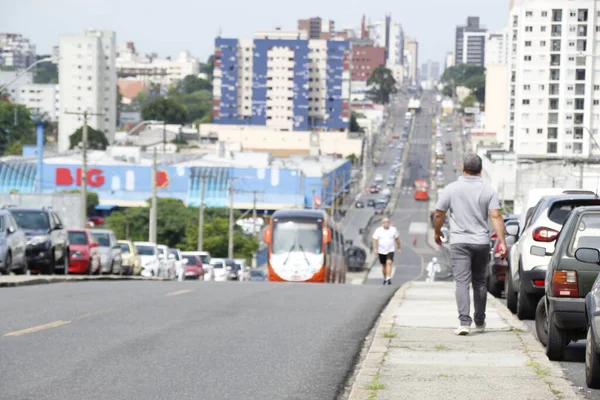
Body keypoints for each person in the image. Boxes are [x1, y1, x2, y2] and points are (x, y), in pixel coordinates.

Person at [433, 154, 506, 336]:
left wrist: (437, 232)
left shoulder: (451, 189)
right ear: (480, 170)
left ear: (463, 169)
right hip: (481, 241)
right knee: (480, 281)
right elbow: (496, 216)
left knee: (462, 282)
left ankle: (464, 322)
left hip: (459, 242)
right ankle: (480, 321)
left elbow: (438, 214)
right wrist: (502, 242)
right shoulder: (488, 190)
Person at [372, 217, 402, 285]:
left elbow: (397, 239)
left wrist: (399, 248)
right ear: (382, 223)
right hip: (381, 250)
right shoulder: (378, 230)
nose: (386, 223)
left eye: (387, 222)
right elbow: (374, 239)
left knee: (389, 262)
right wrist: (375, 249)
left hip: (390, 250)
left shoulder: (393, 229)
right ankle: (385, 278)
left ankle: (388, 278)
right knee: (384, 265)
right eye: (385, 222)